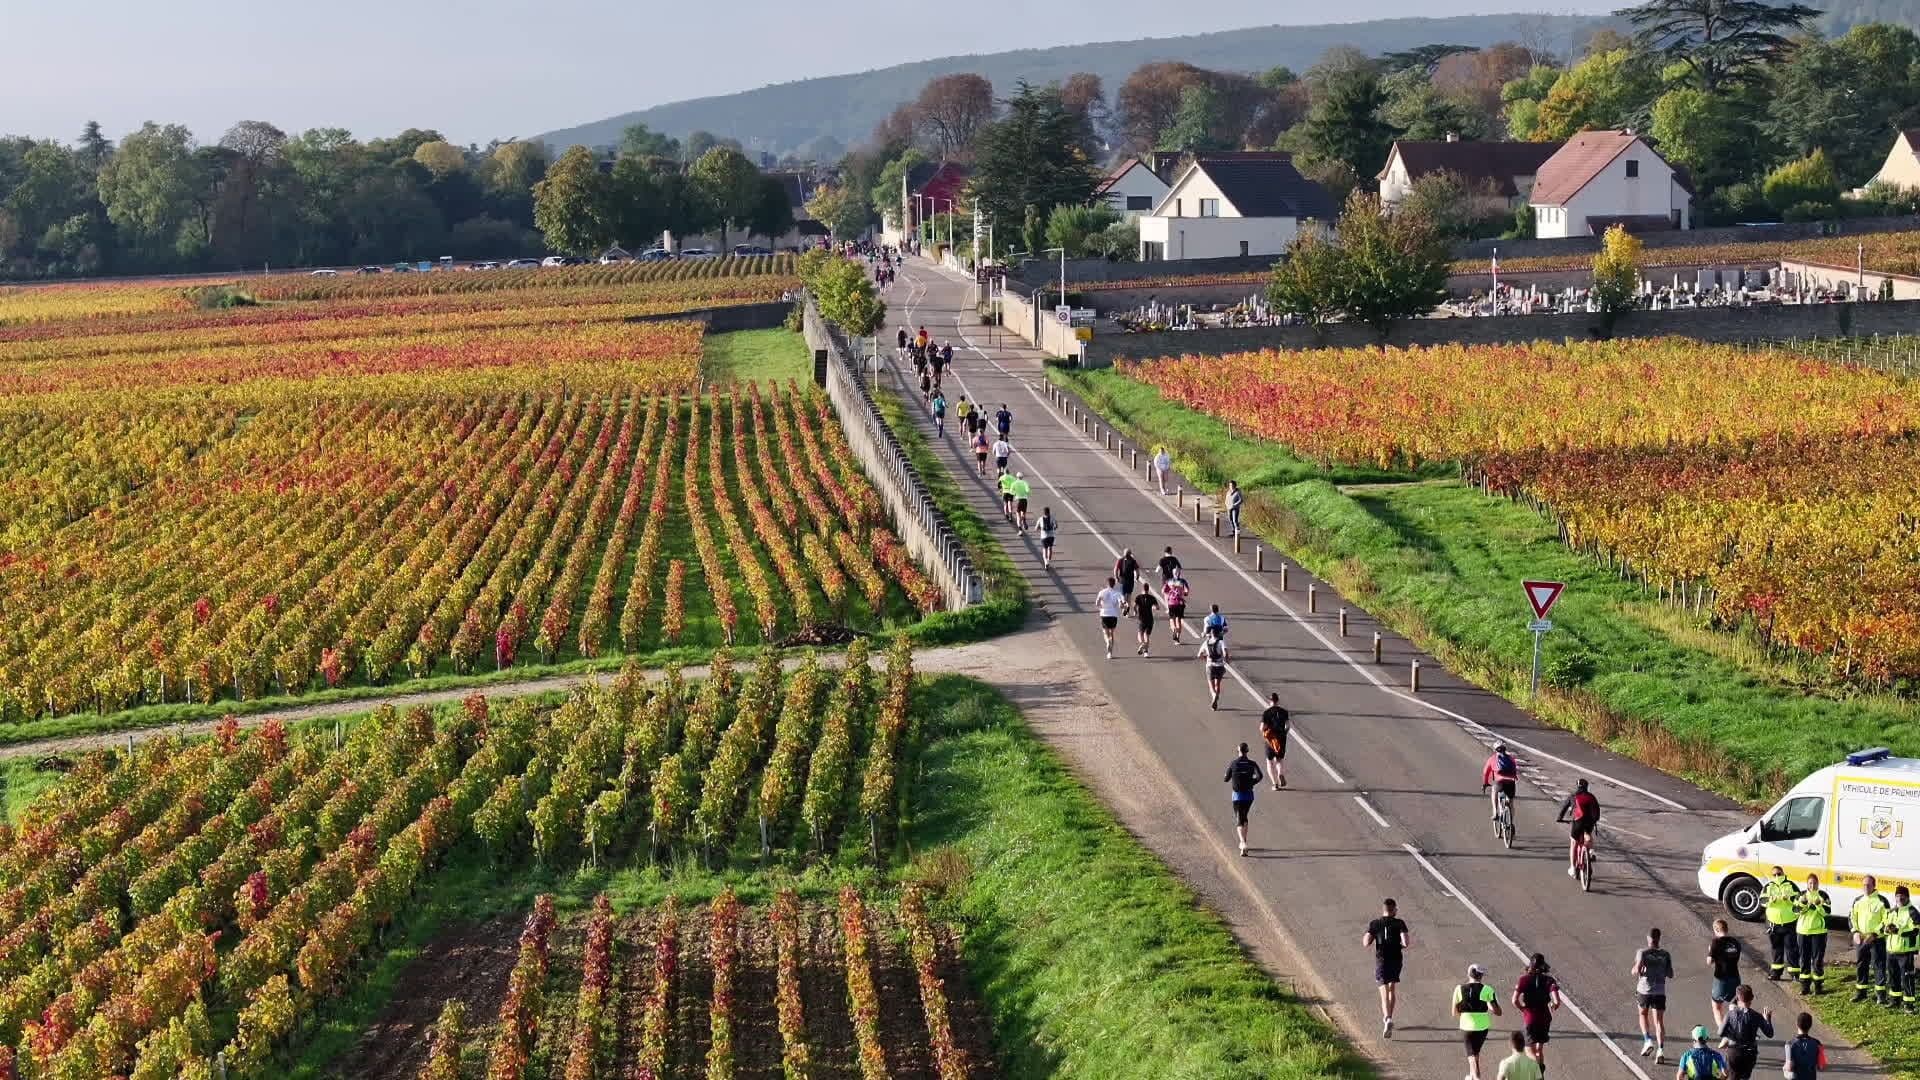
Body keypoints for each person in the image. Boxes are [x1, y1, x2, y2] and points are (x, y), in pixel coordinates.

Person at [1364, 899, 1411, 1039]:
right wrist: (1398, 946)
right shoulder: (1400, 923)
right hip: (1396, 959)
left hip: (1381, 959)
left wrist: (1374, 939)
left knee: (1383, 990)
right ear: (1394, 910)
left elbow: (1366, 942)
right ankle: (1390, 1017)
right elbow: (1406, 943)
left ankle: (1387, 1018)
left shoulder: (1375, 923)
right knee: (1392, 988)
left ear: (1383, 909)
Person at [1452, 962, 1504, 1080]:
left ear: (1468, 974)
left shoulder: (1459, 989)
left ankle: (1476, 1077)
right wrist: (1488, 1004)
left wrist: (1466, 1015)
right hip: (1482, 1027)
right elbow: (1498, 1012)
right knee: (1475, 1054)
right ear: (1481, 976)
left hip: (1466, 1026)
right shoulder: (1487, 990)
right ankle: (1472, 1076)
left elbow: (1454, 1012)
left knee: (1471, 1056)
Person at [1512, 953, 1561, 1074]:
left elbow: (1514, 1000)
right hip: (1545, 1018)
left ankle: (1538, 1074)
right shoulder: (1549, 980)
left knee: (1529, 1050)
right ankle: (1540, 1071)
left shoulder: (1523, 979)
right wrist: (1553, 1005)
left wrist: (1523, 1009)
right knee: (1539, 1049)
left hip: (1531, 1018)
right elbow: (1557, 1001)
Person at [1633, 927, 1674, 1063]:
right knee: (1659, 1022)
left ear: (1648, 938)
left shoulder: (1642, 952)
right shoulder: (1666, 954)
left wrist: (1635, 969)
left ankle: (1648, 1041)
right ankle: (1660, 1050)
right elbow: (1670, 974)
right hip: (1659, 991)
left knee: (1643, 1014)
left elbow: (1637, 969)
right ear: (1659, 938)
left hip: (1644, 990)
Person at [1717, 984, 1772, 1080]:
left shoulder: (1730, 1014)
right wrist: (1767, 1019)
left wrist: (1732, 1035)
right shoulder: (1756, 1016)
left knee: (1732, 1076)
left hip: (1733, 1052)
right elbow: (1770, 1033)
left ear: (1738, 999)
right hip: (1749, 1054)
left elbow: (1720, 1032)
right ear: (1752, 999)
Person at [1851, 874, 1890, 1003]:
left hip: (1876, 939)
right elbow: (1851, 918)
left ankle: (1880, 995)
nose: (1866, 887)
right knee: (1861, 965)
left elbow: (1887, 921)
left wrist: (1874, 934)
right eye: (1864, 885)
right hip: (1861, 939)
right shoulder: (1857, 900)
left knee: (1879, 966)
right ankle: (1861, 993)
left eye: (1868, 885)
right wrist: (1855, 932)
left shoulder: (1882, 901)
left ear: (1874, 886)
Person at [1223, 742, 1263, 856]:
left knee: (1239, 819)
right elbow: (1260, 776)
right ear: (1247, 751)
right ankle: (1244, 843)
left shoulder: (1234, 763)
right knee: (1244, 816)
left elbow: (1226, 779)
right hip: (1249, 795)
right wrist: (1252, 782)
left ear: (1238, 751)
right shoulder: (1252, 764)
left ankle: (1242, 843)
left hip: (1237, 796)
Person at [1762, 866, 1801, 983]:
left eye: (1779, 874)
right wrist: (1771, 900)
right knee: (1776, 949)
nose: (1777, 876)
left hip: (1789, 923)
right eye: (1774, 875)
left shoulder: (1791, 885)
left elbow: (1799, 901)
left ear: (1783, 873)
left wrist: (1788, 899)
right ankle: (1776, 973)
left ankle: (1795, 973)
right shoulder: (1768, 886)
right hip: (1774, 924)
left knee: (1792, 949)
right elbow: (1762, 901)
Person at [1556, 778, 1600, 879]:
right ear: (1587, 787)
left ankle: (1572, 868)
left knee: (1573, 842)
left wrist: (1559, 819)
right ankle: (1591, 850)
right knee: (1588, 834)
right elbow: (1597, 810)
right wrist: (1595, 821)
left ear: (1578, 786)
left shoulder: (1573, 796)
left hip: (1578, 822)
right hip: (1589, 822)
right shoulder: (1591, 796)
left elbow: (1564, 808)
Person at [1795, 874, 1830, 995]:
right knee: (1804, 960)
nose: (1812, 885)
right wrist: (1804, 904)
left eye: (1815, 883)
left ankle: (1818, 987)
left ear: (1818, 883)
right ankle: (1805, 987)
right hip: (1803, 931)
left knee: (1817, 960)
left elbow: (1827, 912)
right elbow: (1795, 911)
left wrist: (1818, 905)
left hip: (1818, 933)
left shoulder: (1823, 895)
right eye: (1810, 883)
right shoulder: (1801, 895)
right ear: (1807, 884)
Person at [1886, 885, 1918, 1012]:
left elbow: (1916, 930)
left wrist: (1899, 931)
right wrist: (1887, 929)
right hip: (1892, 950)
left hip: (1905, 952)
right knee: (1893, 977)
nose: (1899, 898)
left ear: (1907, 897)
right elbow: (1885, 926)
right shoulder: (1892, 911)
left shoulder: (1912, 912)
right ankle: (1895, 1000)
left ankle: (1909, 1005)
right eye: (1897, 896)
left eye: (1902, 896)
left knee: (1907, 978)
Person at [1708, 919, 1743, 1028]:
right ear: (1727, 929)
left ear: (1716, 929)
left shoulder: (1716, 942)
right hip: (1735, 977)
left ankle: (1724, 1032)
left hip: (1721, 979)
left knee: (1716, 1006)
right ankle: (1738, 1028)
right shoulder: (1736, 942)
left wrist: (1710, 951)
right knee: (1734, 1005)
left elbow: (1709, 962)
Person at [1482, 742, 1519, 821]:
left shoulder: (1492, 759)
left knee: (1494, 791)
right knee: (1511, 802)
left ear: (1495, 749)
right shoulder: (1511, 758)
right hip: (1511, 781)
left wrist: (1485, 783)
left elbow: (1485, 772)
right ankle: (1511, 823)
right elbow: (1515, 769)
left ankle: (1495, 812)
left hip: (1499, 781)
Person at [1783, 1012, 1825, 1080]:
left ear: (1797, 1024)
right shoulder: (1818, 1043)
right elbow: (1821, 1066)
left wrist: (1784, 1069)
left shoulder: (1790, 1044)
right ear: (1810, 1025)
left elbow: (1789, 1067)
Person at [1259, 693, 1288, 789]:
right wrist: (1284, 734)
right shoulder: (1284, 712)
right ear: (1277, 700)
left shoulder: (1266, 713)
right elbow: (1287, 726)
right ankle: (1280, 773)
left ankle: (1274, 784)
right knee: (1279, 759)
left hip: (1270, 740)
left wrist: (1265, 732)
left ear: (1270, 700)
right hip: (1281, 740)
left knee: (1269, 761)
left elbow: (1262, 727)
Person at [1094, 577, 1125, 660]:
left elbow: (1097, 603)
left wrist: (1101, 608)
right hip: (1113, 615)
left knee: (1105, 632)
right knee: (1112, 632)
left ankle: (1108, 642)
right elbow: (1121, 604)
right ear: (1114, 584)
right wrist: (1121, 606)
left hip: (1104, 614)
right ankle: (1110, 653)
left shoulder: (1102, 592)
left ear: (1107, 584)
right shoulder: (1117, 593)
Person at [1198, 631, 1228, 709]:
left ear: (1211, 635)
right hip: (1220, 665)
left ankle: (1214, 695)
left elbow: (1199, 655)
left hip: (1210, 665)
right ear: (1218, 634)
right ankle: (1215, 700)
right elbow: (1225, 652)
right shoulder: (1221, 642)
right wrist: (1225, 660)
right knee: (1217, 684)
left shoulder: (1206, 643)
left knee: (1211, 685)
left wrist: (1206, 658)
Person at [1132, 582, 1159, 656]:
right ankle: (1146, 652)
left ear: (1142, 589)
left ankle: (1143, 644)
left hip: (1142, 619)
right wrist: (1153, 607)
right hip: (1150, 619)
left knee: (1140, 634)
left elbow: (1134, 606)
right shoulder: (1152, 598)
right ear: (1148, 589)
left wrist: (1135, 612)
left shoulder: (1138, 597)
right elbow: (1157, 607)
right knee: (1147, 635)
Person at [1163, 575, 1190, 643]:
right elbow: (1187, 591)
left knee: (1172, 620)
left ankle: (1174, 629)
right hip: (1180, 604)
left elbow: (1163, 590)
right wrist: (1183, 593)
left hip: (1171, 603)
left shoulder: (1169, 582)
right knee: (1179, 620)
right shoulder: (1182, 582)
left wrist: (1169, 593)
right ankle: (1178, 637)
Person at [1114, 549, 1139, 614]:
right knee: (1129, 595)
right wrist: (1137, 578)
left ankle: (1125, 606)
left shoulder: (1120, 560)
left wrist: (1116, 577)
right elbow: (1137, 571)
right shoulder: (1133, 561)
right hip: (1130, 581)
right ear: (1130, 554)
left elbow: (1116, 569)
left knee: (1122, 595)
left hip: (1123, 580)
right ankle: (1127, 607)